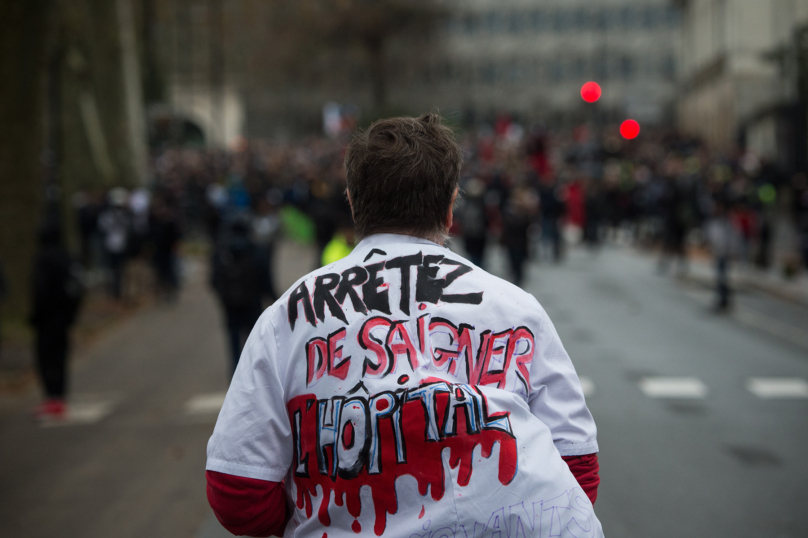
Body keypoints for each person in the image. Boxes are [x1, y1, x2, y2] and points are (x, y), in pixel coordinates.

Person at [205, 114, 603, 537]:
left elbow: (240, 491)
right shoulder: (516, 307)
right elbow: (577, 467)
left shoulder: (288, 316)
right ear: (451, 207)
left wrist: (315, 516)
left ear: (353, 202)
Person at [29, 221, 83, 419]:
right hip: (63, 317)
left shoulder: (43, 259)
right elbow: (77, 288)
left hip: (47, 318)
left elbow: (40, 292)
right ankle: (59, 397)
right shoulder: (67, 257)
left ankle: (52, 397)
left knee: (45, 358)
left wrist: (36, 316)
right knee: (60, 358)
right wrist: (71, 316)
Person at [211, 217, 270, 372]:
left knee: (234, 346)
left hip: (230, 308)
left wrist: (224, 297)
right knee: (256, 345)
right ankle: (257, 378)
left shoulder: (220, 252)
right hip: (253, 306)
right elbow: (266, 280)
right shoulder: (256, 250)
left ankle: (236, 380)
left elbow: (213, 281)